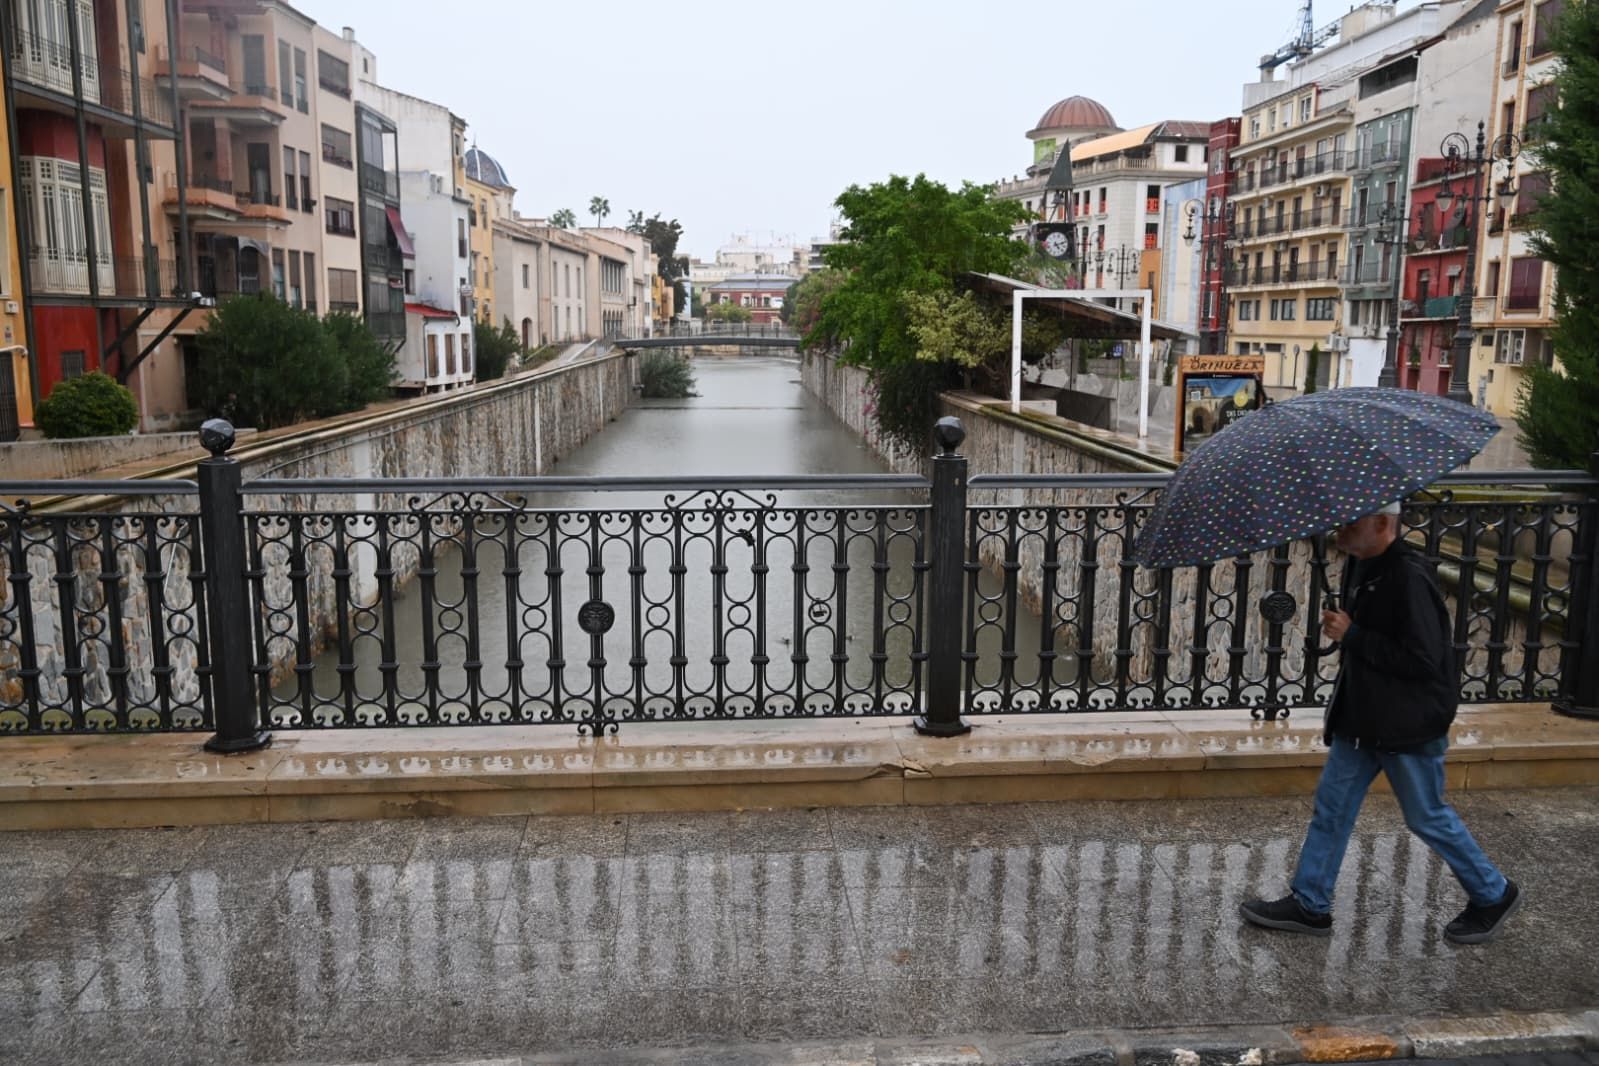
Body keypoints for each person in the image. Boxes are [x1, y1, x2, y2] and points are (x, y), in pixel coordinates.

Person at [1240, 501, 1522, 945]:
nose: (1341, 528)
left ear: (1383, 523)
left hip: (1405, 723)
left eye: (1352, 521)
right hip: (1364, 717)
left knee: (1426, 816)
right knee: (1331, 810)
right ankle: (1311, 904)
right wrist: (1348, 634)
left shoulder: (1408, 576)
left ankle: (1492, 892)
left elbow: (1425, 659)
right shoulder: (1362, 567)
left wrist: (1353, 635)